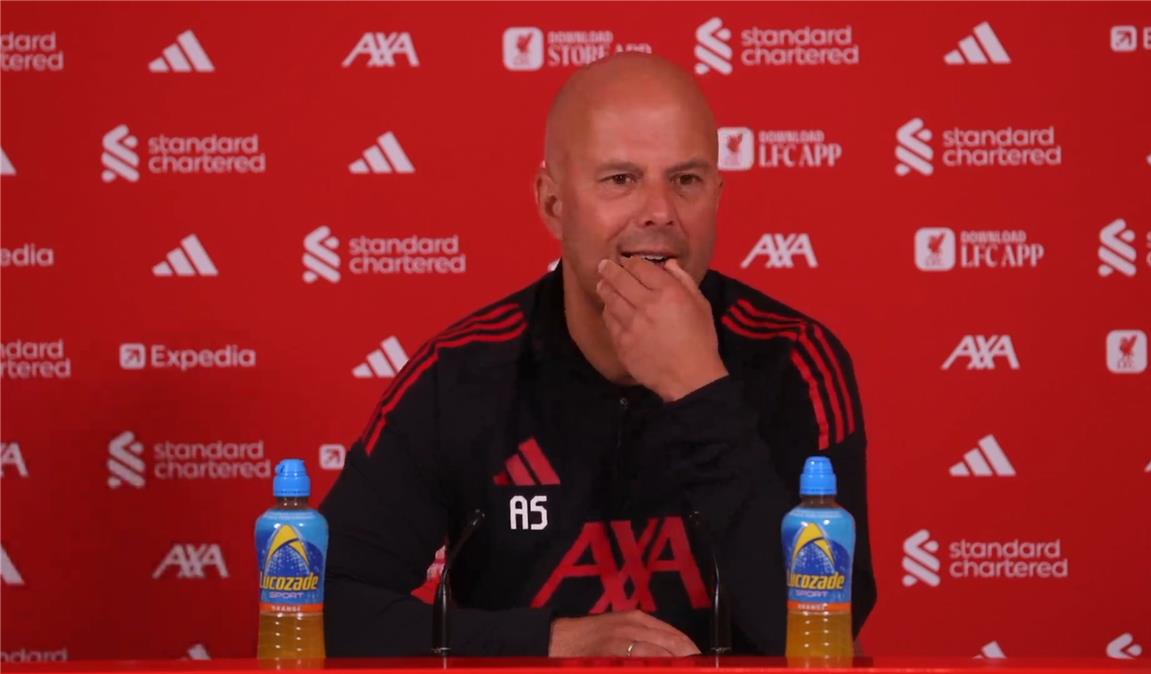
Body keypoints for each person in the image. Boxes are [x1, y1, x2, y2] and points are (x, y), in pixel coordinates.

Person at [319, 53, 875, 657]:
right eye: (621, 179)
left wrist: (699, 390)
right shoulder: (460, 374)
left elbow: (825, 630)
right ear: (552, 203)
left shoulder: (794, 359)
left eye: (686, 180)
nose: (660, 211)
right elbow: (323, 605)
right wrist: (548, 641)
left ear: (717, 196)